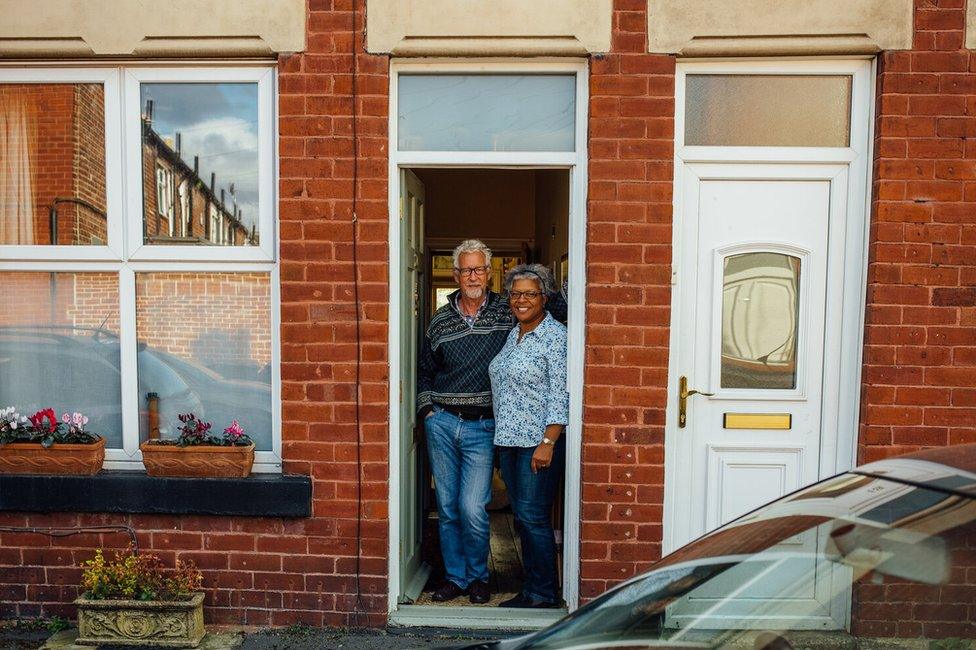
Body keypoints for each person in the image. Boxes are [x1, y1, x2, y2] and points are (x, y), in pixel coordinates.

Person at [417, 239, 512, 604]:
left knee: (473, 507)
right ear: (456, 275)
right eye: (466, 270)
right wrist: (428, 412)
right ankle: (456, 578)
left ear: (489, 274)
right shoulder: (440, 320)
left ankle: (478, 577)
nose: (473, 276)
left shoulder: (507, 313)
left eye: (479, 269)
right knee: (448, 506)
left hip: (482, 426)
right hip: (441, 423)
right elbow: (425, 371)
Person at [489, 263, 569, 608]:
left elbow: (560, 394)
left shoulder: (556, 337)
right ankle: (533, 586)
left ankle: (543, 593)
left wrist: (548, 443)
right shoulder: (515, 333)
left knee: (533, 518)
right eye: (515, 293)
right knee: (521, 517)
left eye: (530, 294)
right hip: (509, 441)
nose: (521, 300)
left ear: (545, 297)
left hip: (537, 444)